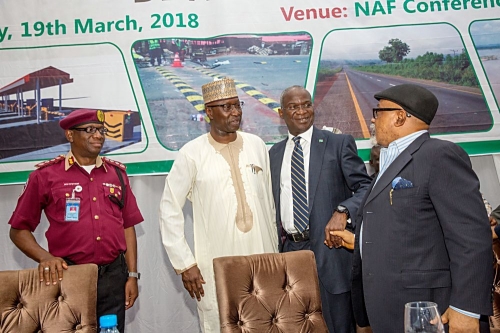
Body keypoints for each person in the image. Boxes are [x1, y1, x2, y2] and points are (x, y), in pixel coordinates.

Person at [350, 84, 493, 333]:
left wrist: (466, 309)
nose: (372, 120)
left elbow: (471, 237)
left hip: (429, 312)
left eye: (378, 112)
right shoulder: (389, 160)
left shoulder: (439, 155)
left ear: (400, 116)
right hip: (391, 307)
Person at [159, 78, 278, 333]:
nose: (235, 112)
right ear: (209, 113)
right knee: (222, 323)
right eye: (226, 107)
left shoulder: (257, 145)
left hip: (263, 257)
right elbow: (169, 209)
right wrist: (185, 263)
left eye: (238, 105)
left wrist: (274, 254)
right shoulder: (192, 153)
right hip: (216, 263)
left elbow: (268, 205)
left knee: (267, 323)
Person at [8, 109, 143, 333]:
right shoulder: (45, 176)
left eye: (101, 130)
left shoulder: (117, 174)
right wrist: (45, 258)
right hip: (68, 277)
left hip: (112, 277)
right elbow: (18, 230)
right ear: (70, 135)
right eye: (89, 130)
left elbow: (128, 226)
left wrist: (132, 275)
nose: (98, 135)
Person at [269, 85, 372, 333]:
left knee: (338, 326)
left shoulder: (338, 143)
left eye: (307, 104)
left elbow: (366, 187)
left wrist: (343, 210)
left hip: (331, 254)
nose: (302, 111)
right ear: (281, 114)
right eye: (294, 107)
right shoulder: (274, 153)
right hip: (290, 254)